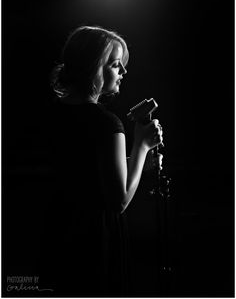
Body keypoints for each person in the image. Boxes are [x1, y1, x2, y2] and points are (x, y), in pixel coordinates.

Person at [43, 25, 163, 297]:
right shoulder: (106, 123)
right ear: (94, 67)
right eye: (115, 65)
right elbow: (118, 201)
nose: (124, 72)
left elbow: (85, 171)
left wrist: (136, 161)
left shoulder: (53, 114)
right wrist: (142, 146)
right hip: (94, 240)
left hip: (59, 231)